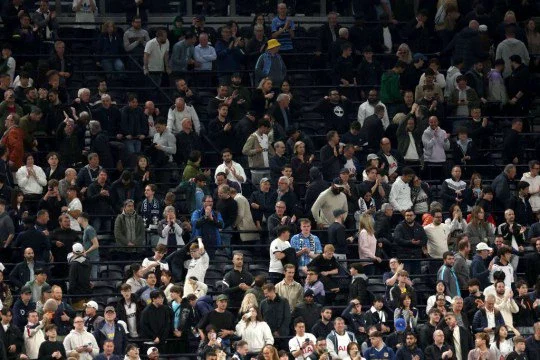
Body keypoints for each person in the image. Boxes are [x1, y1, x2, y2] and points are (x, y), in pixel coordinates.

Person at [77, 213, 99, 280]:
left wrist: (85, 252)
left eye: (78, 217)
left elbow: (96, 244)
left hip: (92, 258)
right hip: (88, 258)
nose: (77, 219)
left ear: (82, 218)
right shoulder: (86, 229)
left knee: (92, 279)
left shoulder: (89, 229)